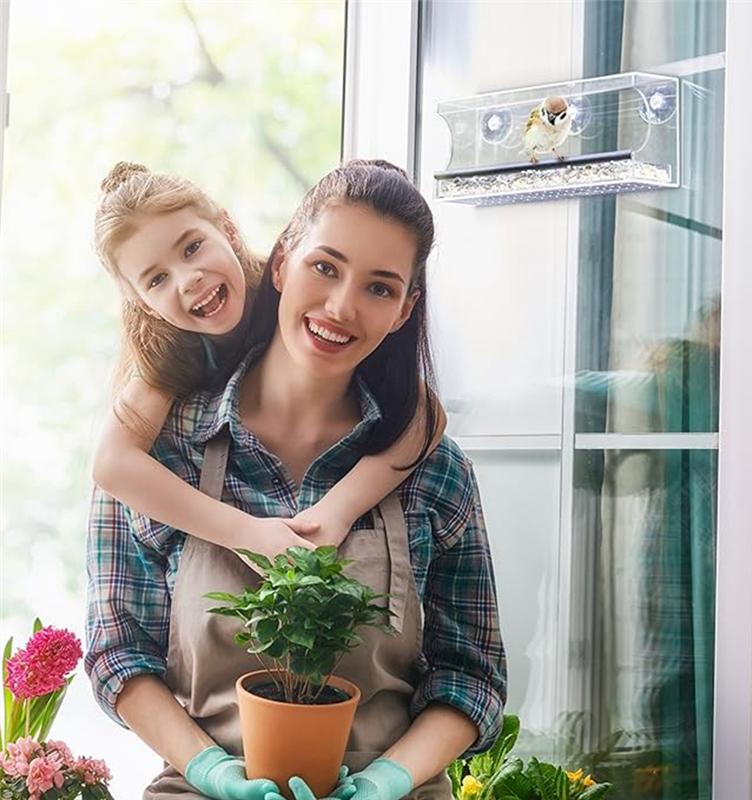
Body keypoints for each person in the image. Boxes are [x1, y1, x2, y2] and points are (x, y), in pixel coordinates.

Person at [85, 159, 507, 800]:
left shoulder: (430, 468)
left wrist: (389, 780)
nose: (341, 307)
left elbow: (471, 676)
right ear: (282, 261)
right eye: (325, 267)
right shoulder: (158, 455)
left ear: (403, 311)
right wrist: (209, 771)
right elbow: (119, 654)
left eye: (380, 288)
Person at [91, 162, 446, 561]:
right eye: (157, 279)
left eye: (192, 248)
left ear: (227, 229)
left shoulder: (291, 287)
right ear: (143, 305)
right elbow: (110, 464)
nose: (188, 279)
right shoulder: (169, 354)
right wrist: (246, 533)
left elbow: (426, 416)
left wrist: (336, 513)